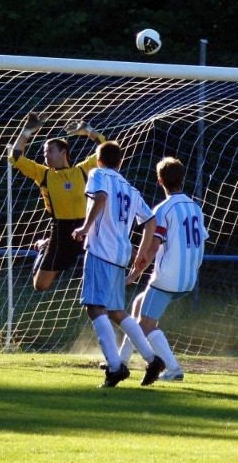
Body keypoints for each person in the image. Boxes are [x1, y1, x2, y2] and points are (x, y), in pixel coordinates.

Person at [71, 141, 165, 387]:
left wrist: (85, 227)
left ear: (98, 160)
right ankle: (152, 359)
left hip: (102, 250)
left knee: (93, 307)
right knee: (115, 311)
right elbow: (151, 221)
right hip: (121, 254)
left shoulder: (98, 174)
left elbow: (100, 198)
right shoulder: (130, 188)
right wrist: (142, 252)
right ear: (120, 162)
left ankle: (115, 367)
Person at [118, 157, 209, 381]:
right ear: (183, 179)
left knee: (146, 324)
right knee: (139, 305)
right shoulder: (195, 208)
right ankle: (121, 361)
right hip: (189, 278)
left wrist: (132, 275)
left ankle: (173, 369)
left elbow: (151, 250)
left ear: (159, 180)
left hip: (168, 277)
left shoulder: (163, 210)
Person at [9, 112, 106, 291]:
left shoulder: (82, 171)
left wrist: (88, 130)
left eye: (50, 151)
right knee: (40, 285)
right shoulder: (43, 174)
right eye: (45, 152)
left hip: (87, 228)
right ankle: (43, 249)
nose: (46, 155)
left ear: (64, 153)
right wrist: (27, 131)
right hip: (61, 232)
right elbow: (15, 158)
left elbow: (106, 149)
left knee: (101, 281)